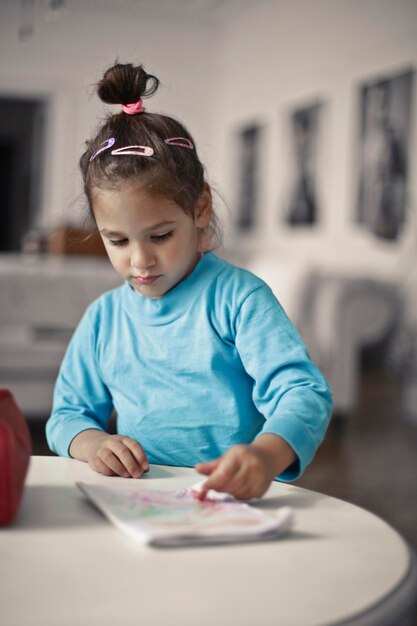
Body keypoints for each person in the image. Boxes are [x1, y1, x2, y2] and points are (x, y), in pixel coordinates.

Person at [46, 62, 332, 500]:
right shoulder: (103, 320)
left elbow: (302, 393)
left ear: (200, 208)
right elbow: (67, 415)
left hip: (232, 502)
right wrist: (93, 444)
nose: (140, 259)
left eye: (161, 235)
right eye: (117, 240)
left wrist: (266, 456)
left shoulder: (239, 299)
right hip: (138, 501)